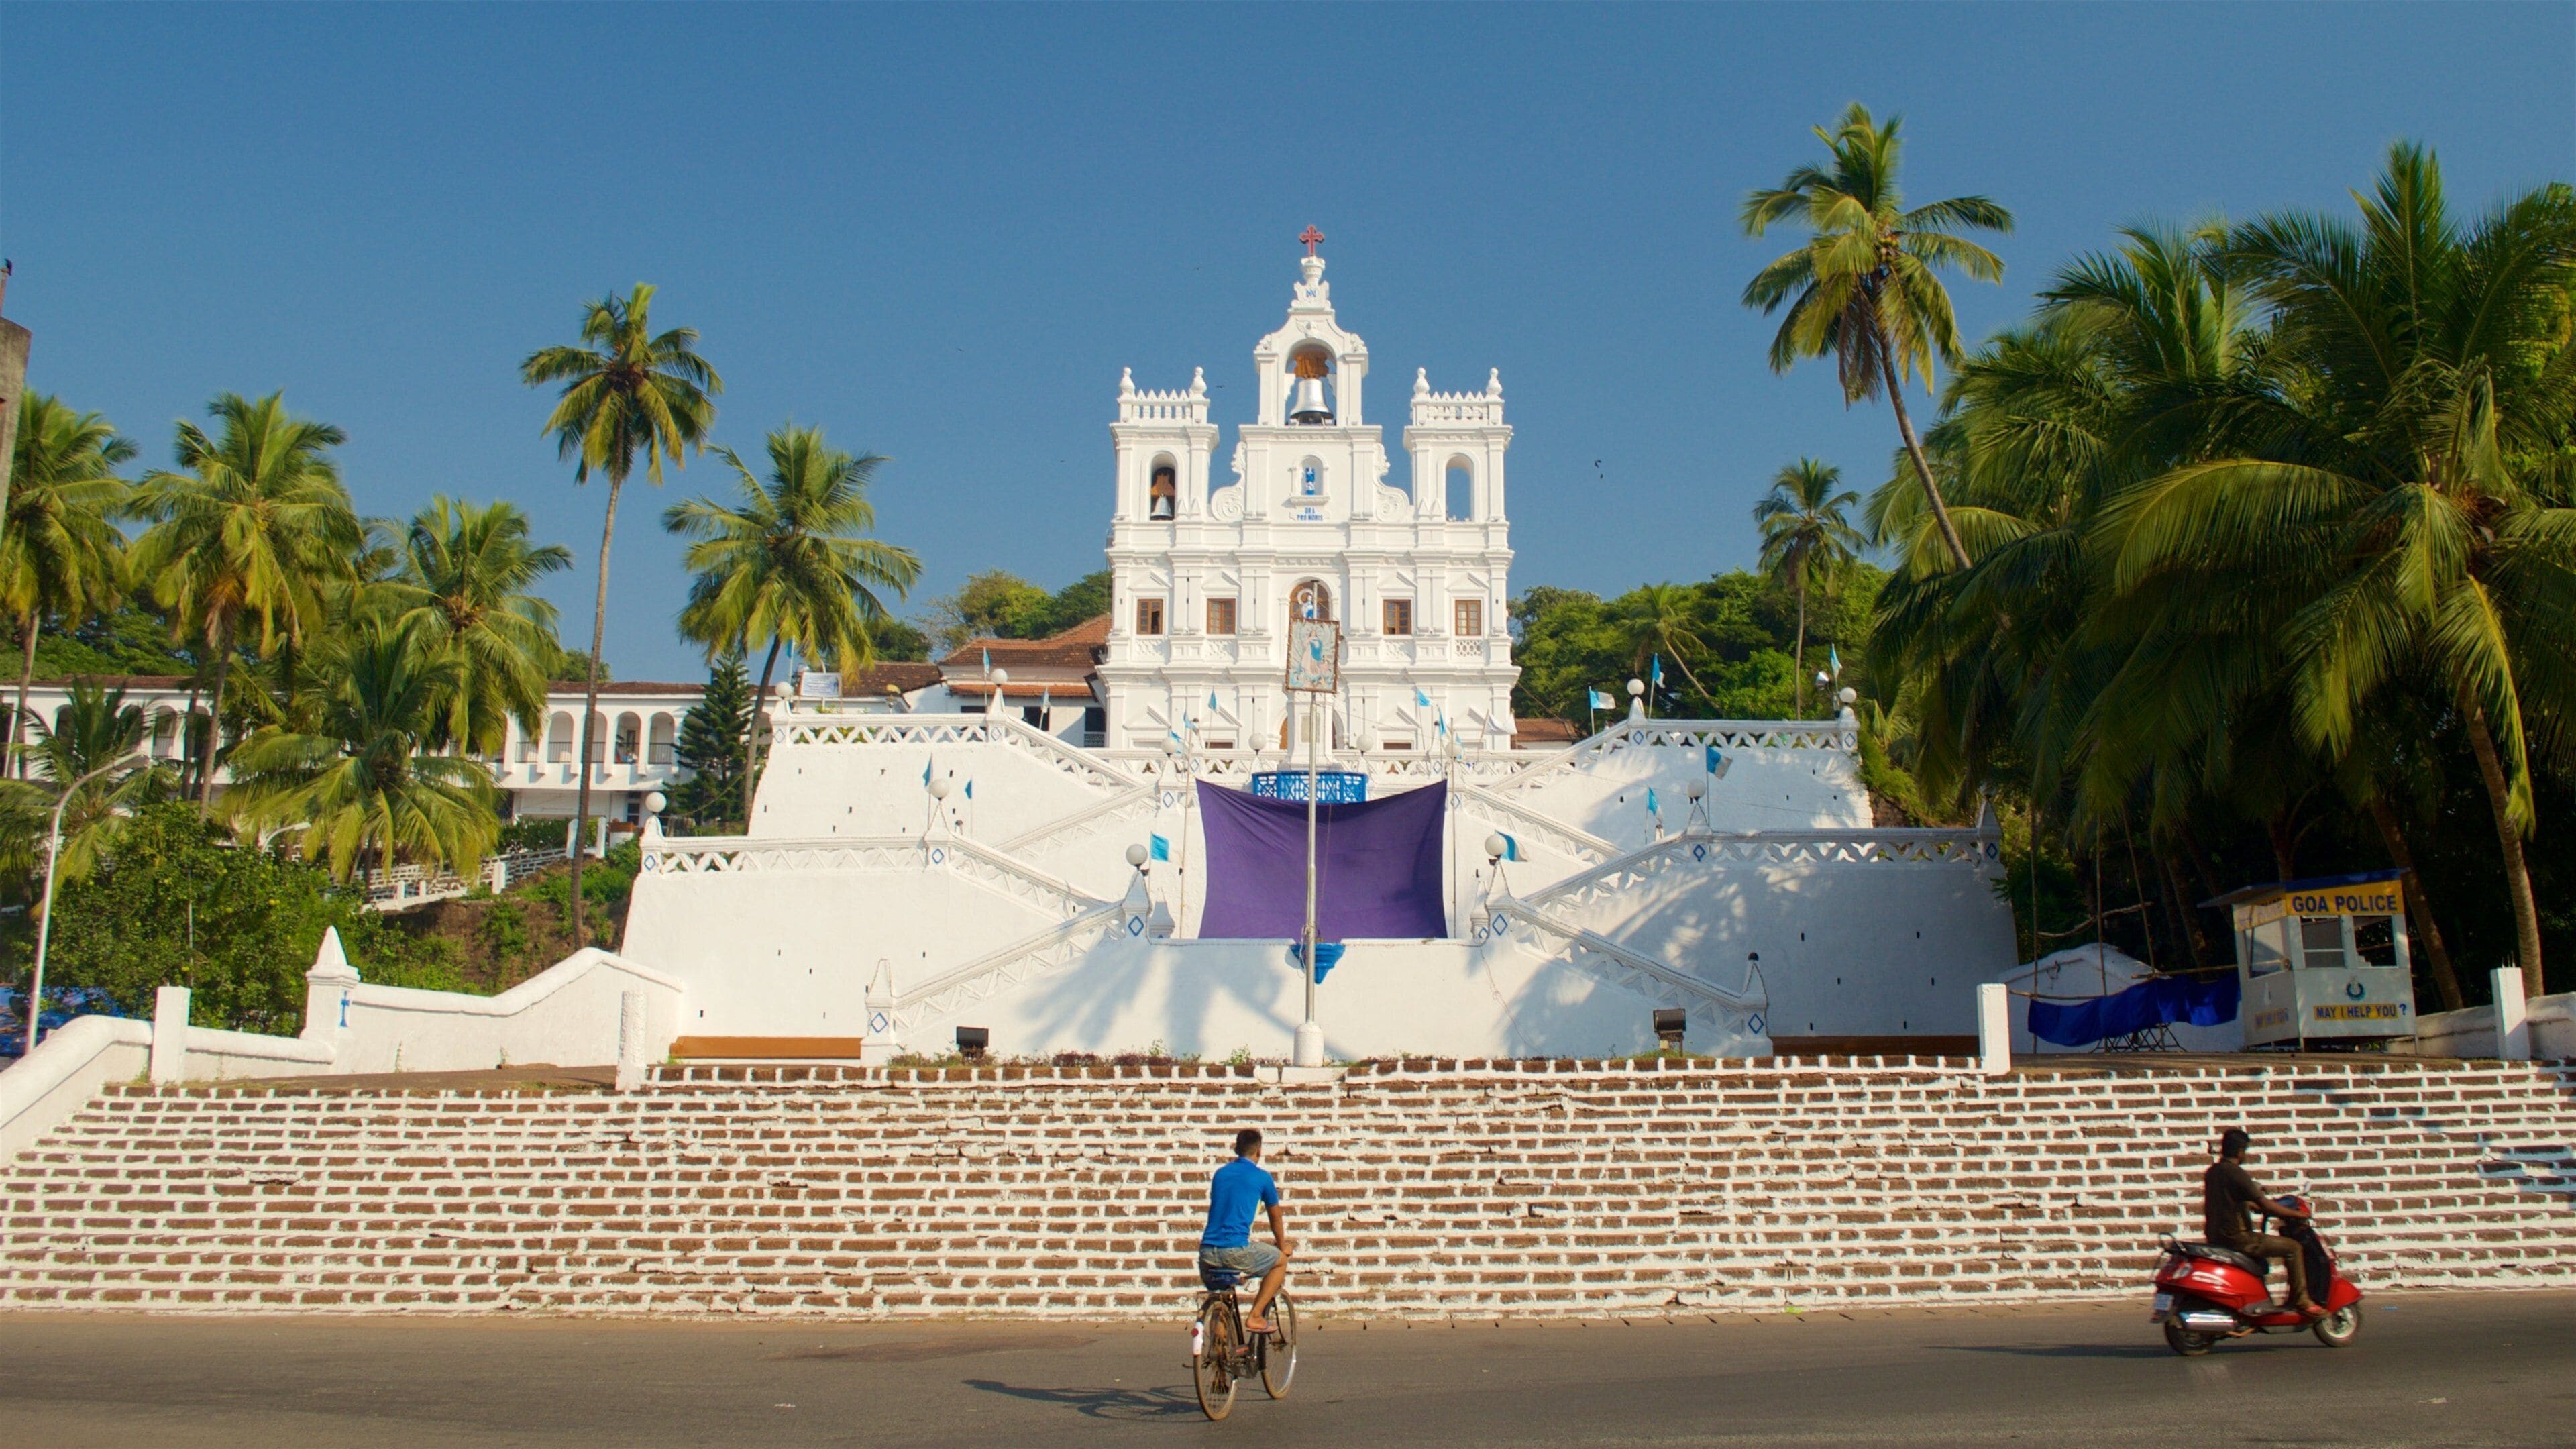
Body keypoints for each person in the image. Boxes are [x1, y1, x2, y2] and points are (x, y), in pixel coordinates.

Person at [2203, 1127, 2324, 1317]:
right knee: (2293, 1248)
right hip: (2239, 1238)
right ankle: (2301, 1300)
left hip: (2217, 1236)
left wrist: (2256, 1205)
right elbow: (2266, 1205)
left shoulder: (2213, 1172)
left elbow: (2233, 1201)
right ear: (2241, 1152)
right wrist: (2298, 1215)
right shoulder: (2235, 1173)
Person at [1199, 1127, 1293, 1334]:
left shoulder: (1220, 1175)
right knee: (1279, 1262)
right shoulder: (1262, 1178)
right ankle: (1256, 1316)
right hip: (1235, 1250)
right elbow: (1275, 1215)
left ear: (1236, 1149)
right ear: (1259, 1151)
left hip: (1206, 1252)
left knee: (1222, 1299)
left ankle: (1219, 1352)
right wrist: (1282, 1245)